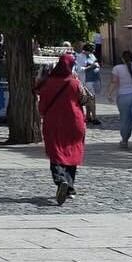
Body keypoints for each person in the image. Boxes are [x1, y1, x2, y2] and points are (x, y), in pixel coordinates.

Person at [36, 53, 86, 205]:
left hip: (54, 121)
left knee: (56, 151)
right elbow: (82, 99)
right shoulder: (74, 82)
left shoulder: (48, 82)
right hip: (74, 122)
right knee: (73, 151)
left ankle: (60, 180)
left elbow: (42, 103)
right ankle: (70, 187)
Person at [74, 43, 102, 125]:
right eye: (90, 51)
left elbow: (96, 63)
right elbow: (79, 69)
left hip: (94, 79)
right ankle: (94, 117)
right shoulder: (80, 57)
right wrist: (91, 67)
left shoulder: (92, 55)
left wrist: (96, 66)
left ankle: (88, 116)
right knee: (92, 98)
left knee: (90, 99)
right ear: (86, 50)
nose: (92, 52)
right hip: (87, 80)